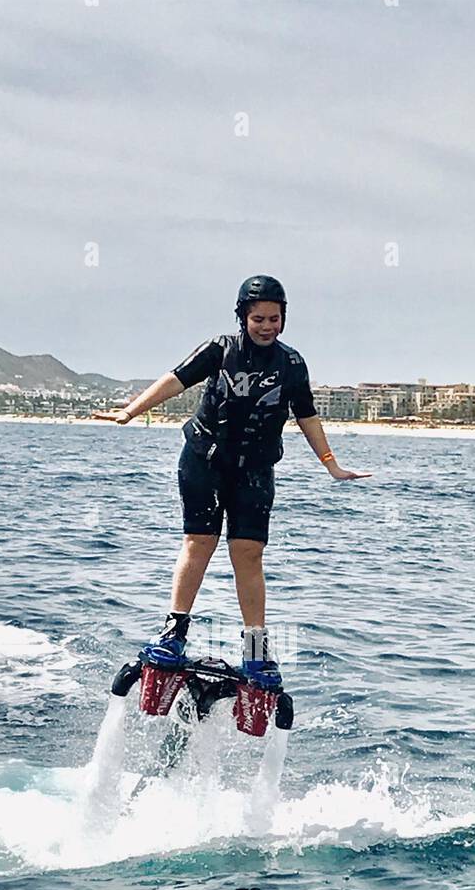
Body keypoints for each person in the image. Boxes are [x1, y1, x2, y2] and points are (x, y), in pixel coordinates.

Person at [95, 275, 369, 688]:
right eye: (258, 318)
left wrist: (330, 464)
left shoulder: (291, 364)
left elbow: (307, 416)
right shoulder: (220, 350)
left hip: (254, 470)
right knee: (199, 542)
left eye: (274, 319)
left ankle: (256, 652)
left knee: (249, 553)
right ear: (243, 316)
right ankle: (173, 633)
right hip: (204, 461)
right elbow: (175, 380)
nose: (267, 326)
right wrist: (129, 412)